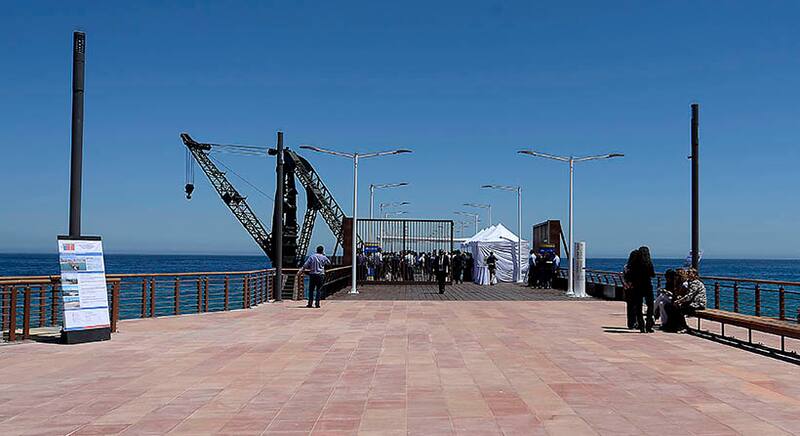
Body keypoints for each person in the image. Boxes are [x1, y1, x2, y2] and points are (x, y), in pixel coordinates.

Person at [629, 246, 656, 333]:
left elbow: (631, 276)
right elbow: (653, 274)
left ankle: (641, 326)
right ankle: (649, 325)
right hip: (647, 286)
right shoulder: (649, 263)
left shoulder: (634, 263)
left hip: (637, 287)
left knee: (638, 306)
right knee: (650, 305)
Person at [622, 250, 639, 329]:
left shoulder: (626, 266)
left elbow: (623, 277)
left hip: (628, 288)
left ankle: (630, 323)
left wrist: (626, 285)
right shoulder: (638, 266)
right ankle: (636, 322)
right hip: (636, 289)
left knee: (630, 306)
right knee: (637, 306)